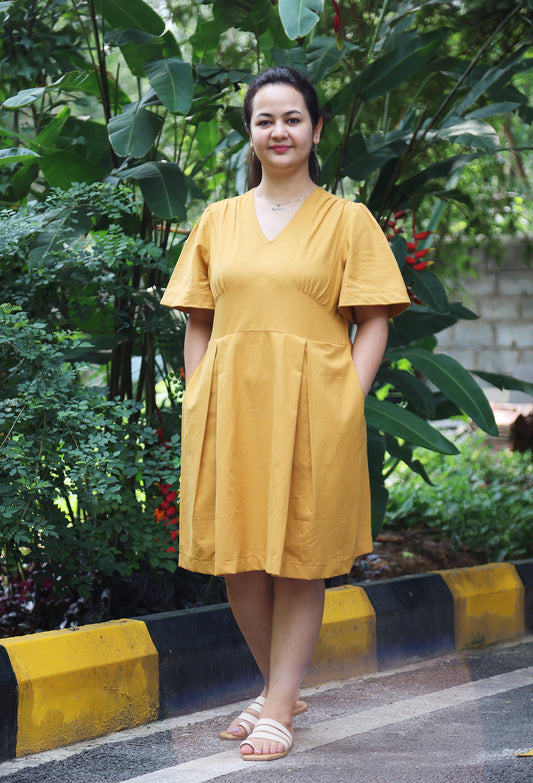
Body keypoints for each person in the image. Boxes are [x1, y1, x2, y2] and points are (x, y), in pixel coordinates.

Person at [161, 66, 410, 761]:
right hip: (229, 408)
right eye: (265, 119)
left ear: (316, 128)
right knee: (239, 560)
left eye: (292, 118)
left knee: (300, 558)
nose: (279, 131)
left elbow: (374, 323)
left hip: (313, 408)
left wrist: (343, 400)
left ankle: (276, 706)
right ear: (250, 132)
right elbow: (198, 318)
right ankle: (281, 687)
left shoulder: (347, 220)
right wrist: (198, 389)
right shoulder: (218, 219)